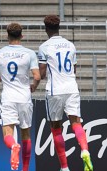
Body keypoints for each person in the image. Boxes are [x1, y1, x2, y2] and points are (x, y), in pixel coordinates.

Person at [38, 15, 93, 171]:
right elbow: (74, 70)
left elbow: (42, 74)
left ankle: (64, 167)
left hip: (55, 90)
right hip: (71, 88)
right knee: (76, 123)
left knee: (56, 129)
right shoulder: (70, 45)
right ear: (59, 27)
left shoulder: (44, 47)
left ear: (46, 28)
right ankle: (84, 150)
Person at [0, 23, 41, 171]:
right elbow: (37, 76)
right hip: (24, 97)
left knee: (8, 133)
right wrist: (34, 86)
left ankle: (13, 146)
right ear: (22, 36)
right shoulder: (29, 53)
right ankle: (25, 169)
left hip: (8, 98)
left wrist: (3, 78)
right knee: (26, 133)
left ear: (7, 36)